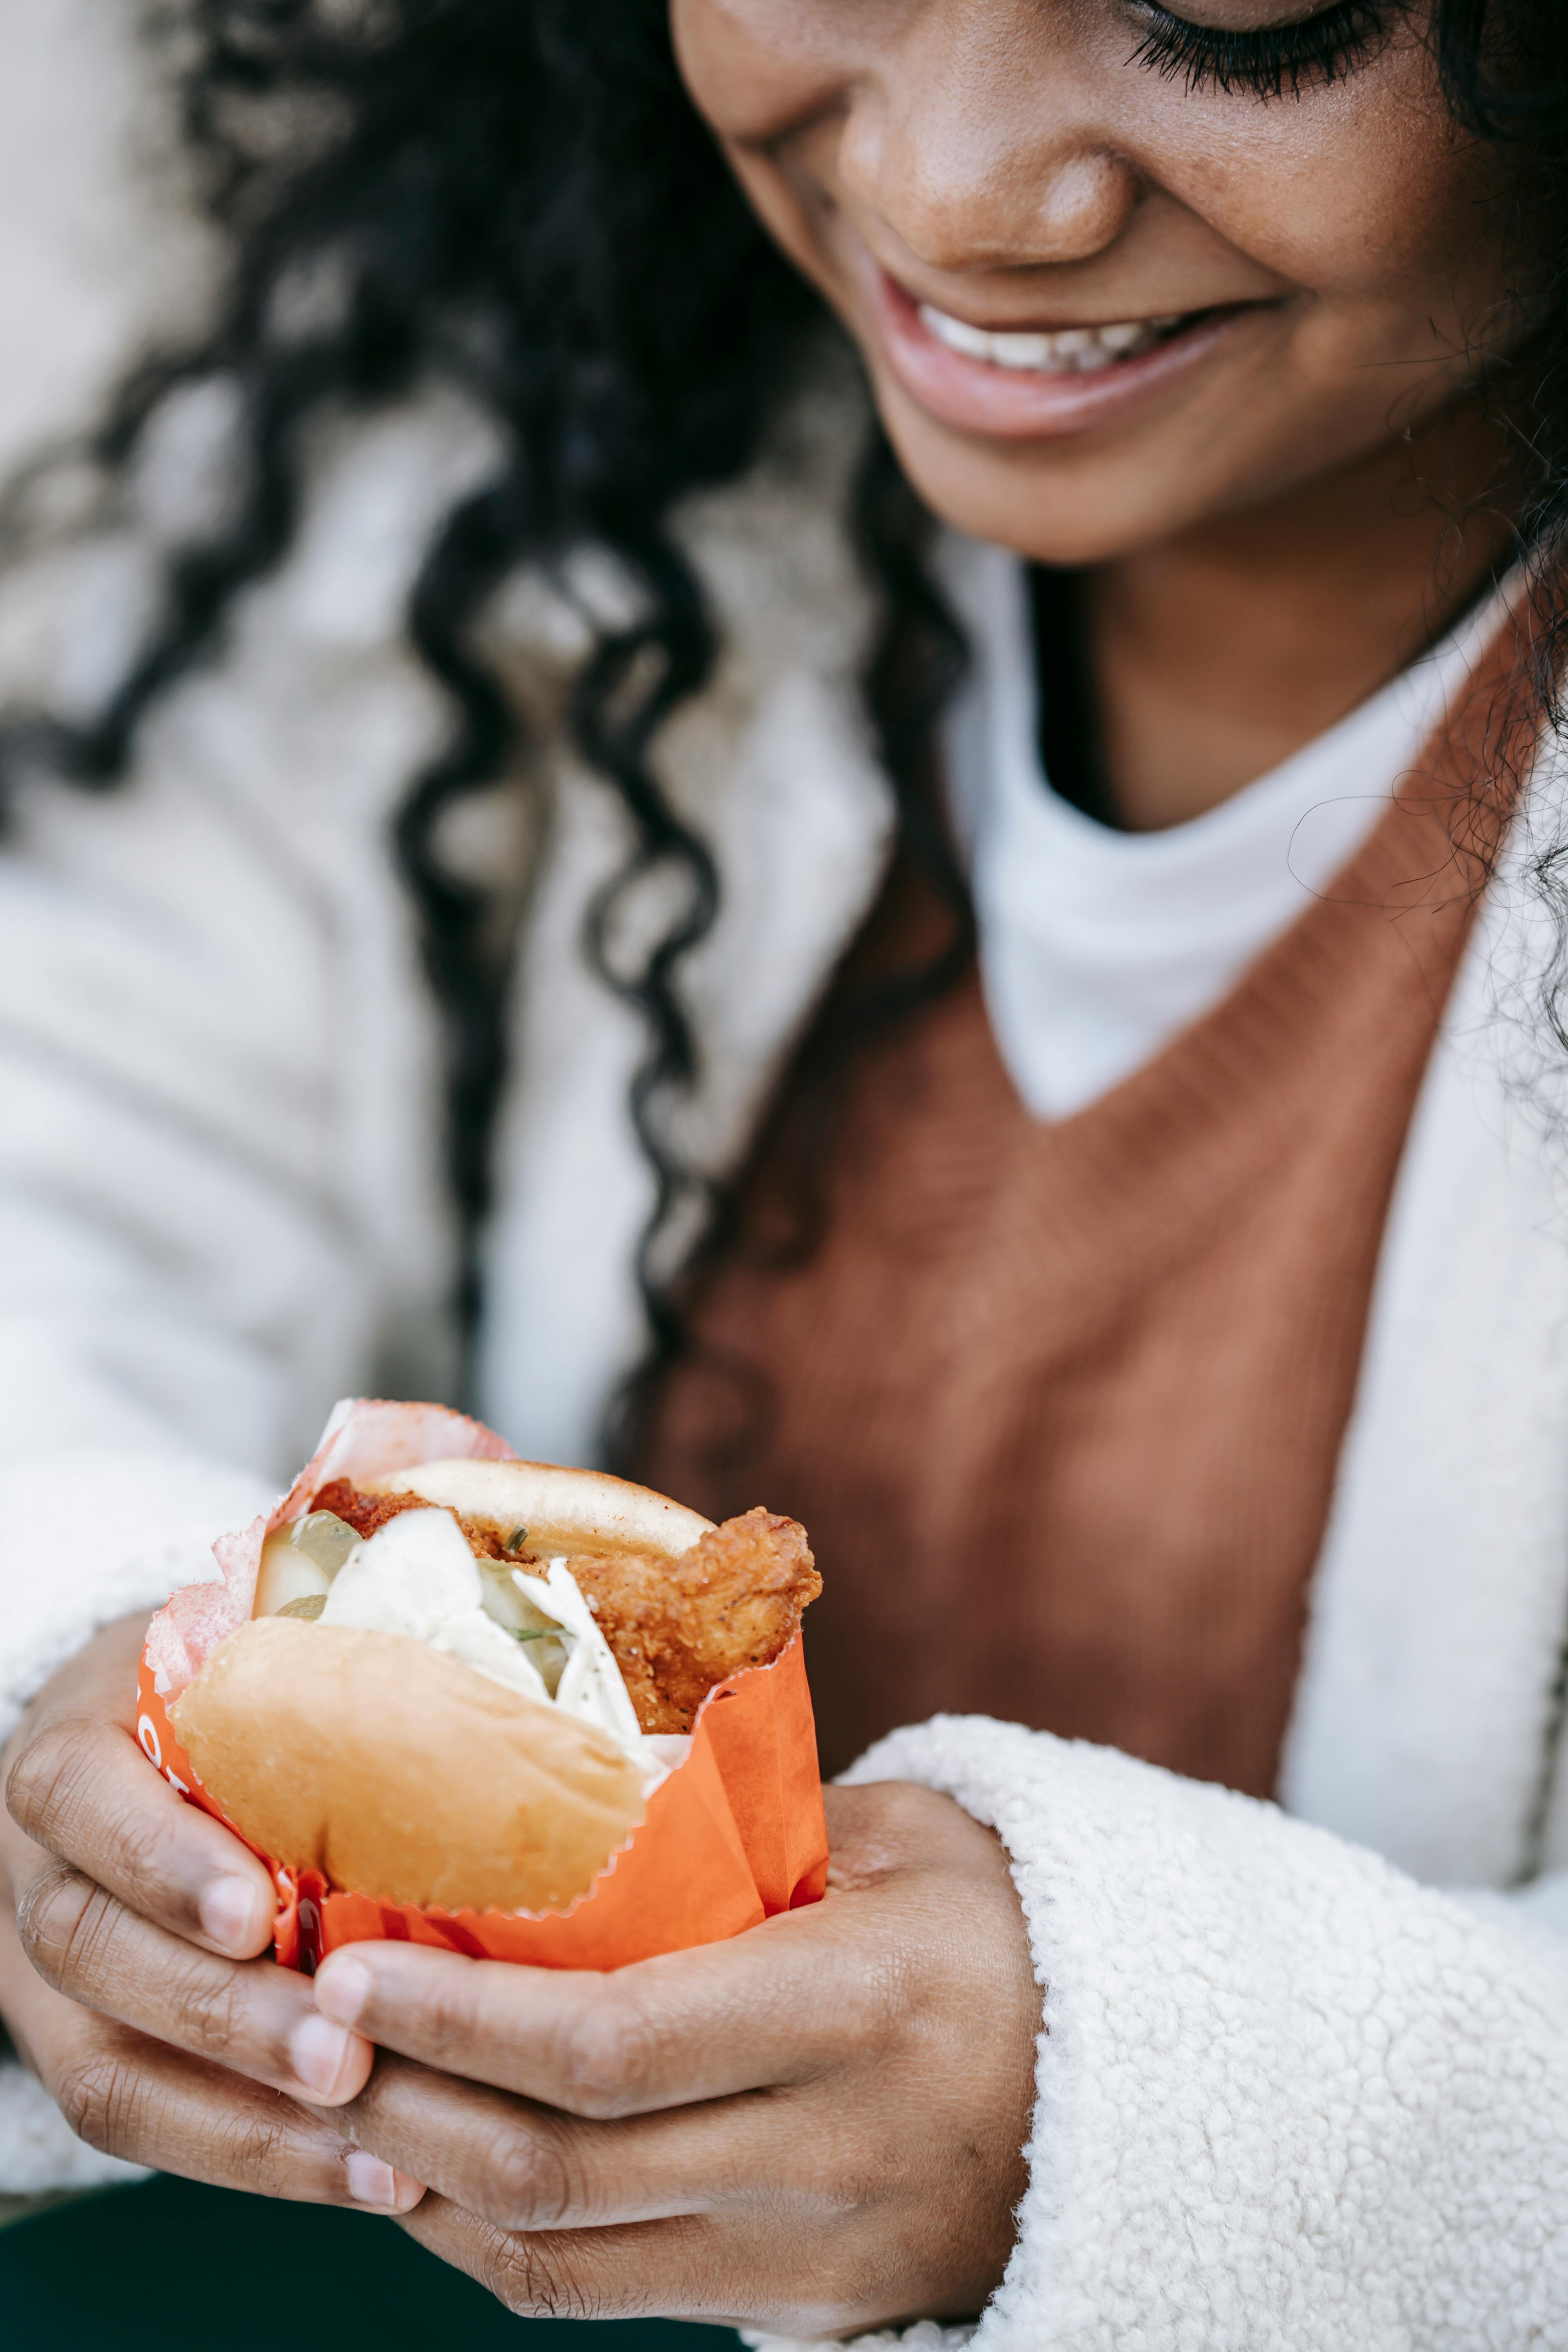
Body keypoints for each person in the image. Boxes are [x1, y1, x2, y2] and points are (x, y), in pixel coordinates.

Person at [2, 0, 1568, 2341]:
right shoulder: (540, 414)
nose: (951, 193)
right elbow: (73, 1153)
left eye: (1237, 16)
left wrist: (1138, 2113)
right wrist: (87, 1679)